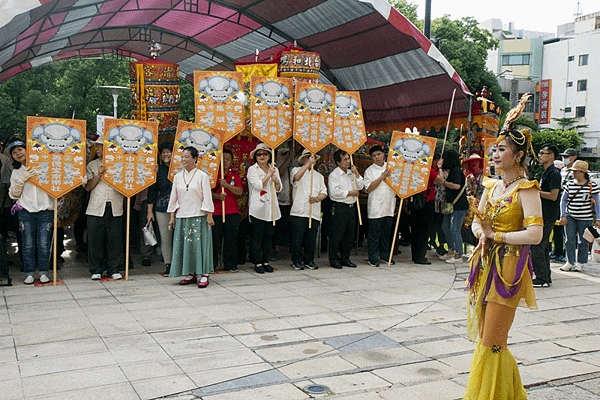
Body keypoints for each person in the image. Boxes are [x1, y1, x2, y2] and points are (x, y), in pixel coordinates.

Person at [466, 127, 543, 400]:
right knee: (487, 335)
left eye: (502, 149)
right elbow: (477, 221)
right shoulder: (492, 186)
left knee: (493, 341)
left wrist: (496, 236)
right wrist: (481, 235)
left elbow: (535, 234)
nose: (495, 154)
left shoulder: (527, 189)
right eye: (495, 149)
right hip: (486, 265)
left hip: (509, 268)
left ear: (518, 155)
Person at [8, 141, 55, 284]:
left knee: (44, 243)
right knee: (27, 243)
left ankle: (43, 272)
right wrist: (22, 179)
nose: (18, 154)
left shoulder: (44, 166)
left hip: (45, 210)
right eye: (14, 153)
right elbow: (13, 195)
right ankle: (29, 272)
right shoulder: (16, 172)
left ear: (28, 149)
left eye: (20, 149)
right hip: (26, 211)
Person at [167, 146, 215, 287]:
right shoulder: (177, 177)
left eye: (187, 156)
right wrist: (172, 217)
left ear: (195, 159)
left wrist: (209, 215)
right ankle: (191, 273)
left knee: (201, 245)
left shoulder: (202, 176)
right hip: (182, 216)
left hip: (199, 215)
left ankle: (205, 273)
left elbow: (207, 197)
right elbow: (173, 199)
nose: (183, 159)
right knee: (186, 246)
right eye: (182, 156)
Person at [85, 137, 124, 281]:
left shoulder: (121, 164)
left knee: (115, 240)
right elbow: (88, 187)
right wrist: (98, 175)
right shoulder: (92, 165)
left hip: (115, 206)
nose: (98, 150)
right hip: (96, 207)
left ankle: (114, 268)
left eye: (100, 147)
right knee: (95, 240)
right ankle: (96, 269)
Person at [559, 160, 600, 272]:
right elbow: (563, 200)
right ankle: (570, 261)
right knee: (569, 239)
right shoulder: (569, 184)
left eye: (576, 172)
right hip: (570, 215)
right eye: (573, 171)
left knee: (584, 240)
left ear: (583, 173)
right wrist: (563, 215)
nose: (574, 173)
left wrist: (598, 218)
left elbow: (597, 202)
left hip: (586, 217)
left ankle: (581, 262)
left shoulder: (592, 185)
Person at [289, 149, 327, 270]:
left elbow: (324, 192)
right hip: (299, 210)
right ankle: (296, 260)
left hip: (313, 211)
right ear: (303, 159)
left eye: (313, 157)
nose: (311, 159)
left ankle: (309, 259)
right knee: (297, 238)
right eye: (308, 157)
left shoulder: (319, 176)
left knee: (311, 238)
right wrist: (307, 165)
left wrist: (317, 198)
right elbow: (296, 178)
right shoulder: (296, 170)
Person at [247, 143, 281, 274]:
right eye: (259, 154)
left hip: (271, 208)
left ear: (269, 156)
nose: (262, 156)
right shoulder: (252, 170)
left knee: (268, 236)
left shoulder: (274, 169)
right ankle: (257, 261)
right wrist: (268, 175)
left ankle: (266, 260)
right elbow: (258, 185)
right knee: (257, 236)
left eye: (265, 154)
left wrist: (275, 179)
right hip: (258, 208)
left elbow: (278, 188)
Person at [530, 144, 561, 287]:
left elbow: (554, 196)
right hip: (543, 213)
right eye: (540, 153)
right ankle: (546, 277)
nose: (540, 155)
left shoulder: (554, 173)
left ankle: (541, 278)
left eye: (543, 153)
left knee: (536, 245)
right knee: (543, 246)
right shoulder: (546, 172)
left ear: (551, 156)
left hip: (548, 214)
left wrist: (534, 191)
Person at [328, 149, 364, 269]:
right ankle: (334, 259)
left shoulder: (351, 173)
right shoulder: (334, 175)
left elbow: (361, 186)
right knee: (337, 234)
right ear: (338, 162)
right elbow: (334, 193)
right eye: (345, 159)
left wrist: (357, 174)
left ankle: (345, 258)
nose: (348, 161)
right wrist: (350, 192)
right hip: (339, 207)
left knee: (349, 235)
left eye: (349, 158)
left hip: (351, 207)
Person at [364, 145, 395, 267]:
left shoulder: (391, 167)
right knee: (374, 235)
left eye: (379, 154)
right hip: (376, 207)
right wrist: (382, 177)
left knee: (386, 234)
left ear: (384, 155)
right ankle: (373, 257)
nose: (377, 157)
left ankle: (385, 256)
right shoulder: (369, 171)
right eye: (374, 156)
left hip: (389, 205)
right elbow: (369, 188)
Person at [211, 149, 243, 272]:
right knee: (214, 240)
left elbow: (239, 191)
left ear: (231, 162)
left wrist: (227, 185)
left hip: (232, 212)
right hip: (215, 212)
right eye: (223, 158)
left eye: (228, 159)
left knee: (231, 239)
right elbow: (207, 193)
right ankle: (212, 264)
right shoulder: (213, 176)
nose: (225, 161)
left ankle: (230, 264)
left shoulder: (234, 176)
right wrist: (218, 197)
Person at [147, 142, 174, 275]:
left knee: (180, 237)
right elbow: (152, 191)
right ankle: (168, 264)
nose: (165, 154)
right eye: (163, 152)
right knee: (165, 237)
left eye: (168, 151)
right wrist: (149, 211)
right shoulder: (158, 170)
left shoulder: (181, 168)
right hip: (162, 209)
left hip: (180, 209)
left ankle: (181, 263)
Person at [439, 149, 469, 264]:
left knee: (455, 229)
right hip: (452, 206)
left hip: (459, 206)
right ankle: (451, 250)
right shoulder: (453, 170)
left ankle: (458, 255)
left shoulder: (456, 171)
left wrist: (443, 182)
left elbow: (456, 186)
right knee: (446, 227)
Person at [410, 166, 444, 265]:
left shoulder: (412, 167)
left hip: (415, 200)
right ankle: (420, 256)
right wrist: (440, 168)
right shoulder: (426, 168)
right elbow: (441, 180)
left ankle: (415, 255)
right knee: (424, 230)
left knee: (415, 229)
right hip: (427, 201)